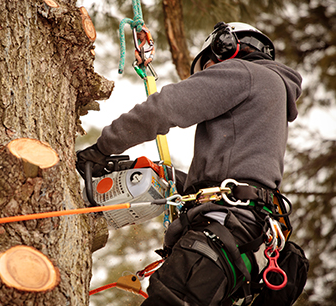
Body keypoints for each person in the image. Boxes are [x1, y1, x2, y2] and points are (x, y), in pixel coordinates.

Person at [77, 21, 303, 305]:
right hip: (245, 244)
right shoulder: (273, 95)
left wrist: (101, 149)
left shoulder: (244, 73)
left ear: (226, 49)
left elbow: (164, 108)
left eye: (209, 69)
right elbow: (238, 179)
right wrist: (169, 177)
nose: (210, 77)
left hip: (219, 236)